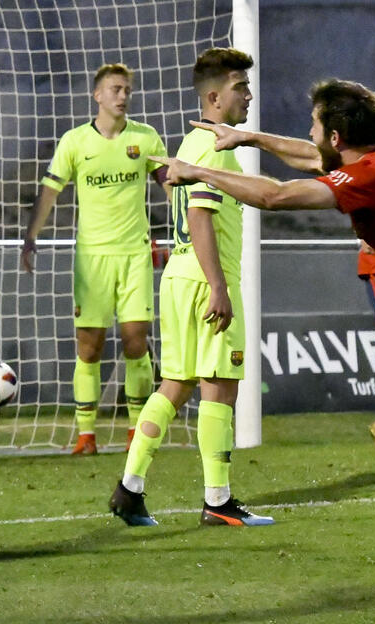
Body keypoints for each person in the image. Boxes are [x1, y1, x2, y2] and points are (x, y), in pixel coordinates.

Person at [156, 77, 375, 458]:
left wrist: (201, 173)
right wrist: (247, 138)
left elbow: (275, 196)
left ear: (335, 138)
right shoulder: (367, 160)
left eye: (314, 126)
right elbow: (310, 157)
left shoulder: (369, 174)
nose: (308, 134)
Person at [110, 47, 274, 528]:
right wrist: (219, 287)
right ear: (214, 98)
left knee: (175, 385)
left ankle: (130, 488)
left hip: (180, 277)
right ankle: (217, 501)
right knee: (220, 386)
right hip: (206, 279)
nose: (249, 95)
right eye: (240, 87)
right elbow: (200, 215)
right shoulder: (212, 148)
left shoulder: (189, 144)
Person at [21, 63, 169, 455]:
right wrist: (30, 236)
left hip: (135, 255)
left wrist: (188, 225)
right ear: (97, 95)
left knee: (136, 340)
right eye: (115, 89)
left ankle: (137, 432)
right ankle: (86, 434)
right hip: (92, 259)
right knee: (89, 347)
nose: (122, 96)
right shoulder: (75, 141)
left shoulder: (146, 137)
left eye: (127, 90)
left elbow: (169, 184)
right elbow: (50, 191)